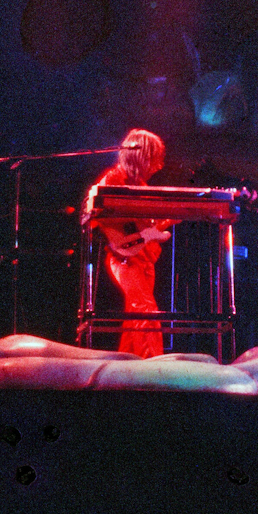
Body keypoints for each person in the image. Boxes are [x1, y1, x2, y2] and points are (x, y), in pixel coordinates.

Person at [87, 129, 170, 359]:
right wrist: (149, 233)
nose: (158, 167)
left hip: (143, 259)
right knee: (145, 312)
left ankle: (127, 365)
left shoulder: (141, 186)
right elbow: (114, 231)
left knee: (135, 316)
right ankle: (151, 367)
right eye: (154, 160)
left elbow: (144, 230)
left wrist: (162, 225)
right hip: (125, 259)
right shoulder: (113, 179)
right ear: (140, 156)